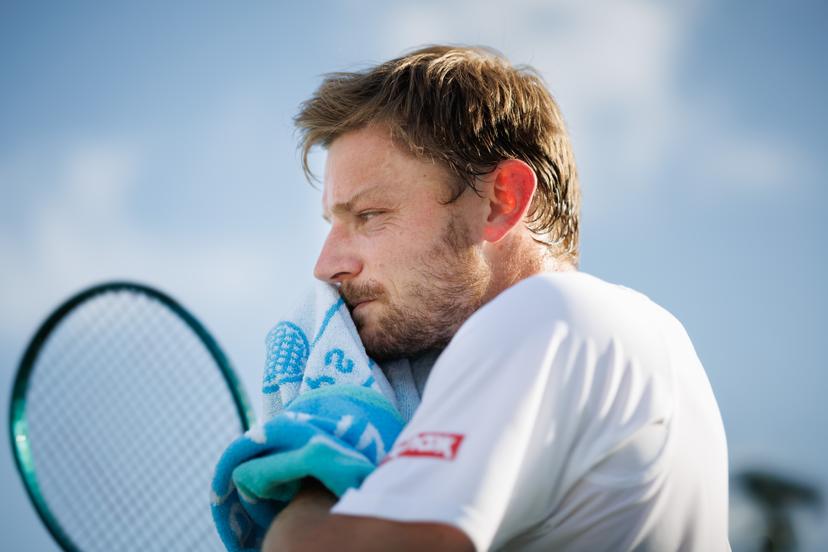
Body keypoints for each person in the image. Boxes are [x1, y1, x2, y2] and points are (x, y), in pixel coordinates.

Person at [263, 45, 730, 551]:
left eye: (369, 215)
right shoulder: (638, 334)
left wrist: (321, 454)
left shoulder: (548, 315)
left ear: (500, 201)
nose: (326, 267)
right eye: (332, 224)